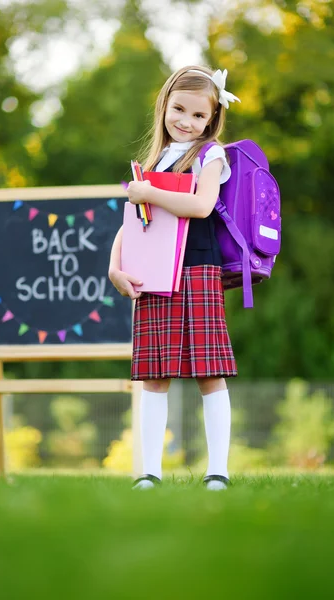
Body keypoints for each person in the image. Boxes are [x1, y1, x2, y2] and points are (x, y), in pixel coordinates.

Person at [108, 65, 240, 491]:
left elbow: (201, 206)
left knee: (208, 370)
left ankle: (217, 470)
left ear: (212, 119)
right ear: (164, 104)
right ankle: (150, 472)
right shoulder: (152, 161)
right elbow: (133, 221)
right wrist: (115, 265)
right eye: (178, 109)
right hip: (153, 269)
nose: (186, 121)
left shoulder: (210, 155)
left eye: (198, 116)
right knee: (154, 373)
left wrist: (149, 192)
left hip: (198, 267)